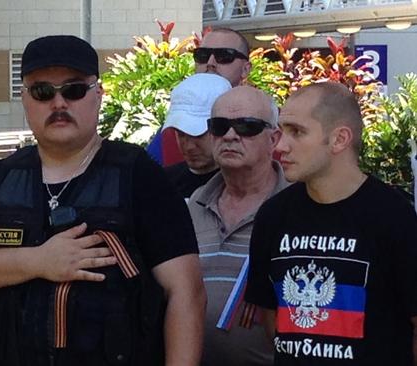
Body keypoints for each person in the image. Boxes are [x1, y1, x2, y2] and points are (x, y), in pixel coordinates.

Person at [0, 35, 205, 366]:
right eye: (43, 91)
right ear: (25, 99)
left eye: (73, 90)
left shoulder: (139, 177)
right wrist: (39, 261)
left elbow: (186, 294)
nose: (59, 103)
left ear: (97, 95)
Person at [245, 82, 417, 365]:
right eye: (282, 130)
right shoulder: (273, 216)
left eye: (297, 132)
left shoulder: (393, 215)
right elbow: (272, 315)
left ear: (339, 139)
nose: (280, 146)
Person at [188, 86, 287, 366]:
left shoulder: (298, 211)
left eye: (247, 126)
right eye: (219, 126)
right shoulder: (187, 209)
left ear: (274, 138)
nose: (230, 136)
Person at [148, 27, 250, 166]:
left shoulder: (267, 126)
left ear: (245, 69)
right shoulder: (171, 132)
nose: (210, 63)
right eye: (202, 55)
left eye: (224, 56)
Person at [162, 73, 231, 200]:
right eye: (181, 134)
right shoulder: (161, 182)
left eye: (198, 135)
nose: (189, 146)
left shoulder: (245, 185)